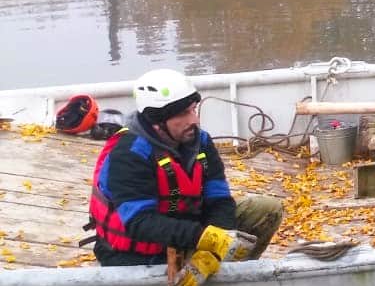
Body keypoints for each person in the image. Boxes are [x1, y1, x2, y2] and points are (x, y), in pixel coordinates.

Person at [90, 68, 282, 268]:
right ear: (157, 121)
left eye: (193, 109)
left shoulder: (201, 142)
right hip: (137, 256)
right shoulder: (129, 154)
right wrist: (202, 238)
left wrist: (214, 248)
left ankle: (222, 272)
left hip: (188, 236)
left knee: (267, 209)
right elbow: (139, 222)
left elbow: (219, 200)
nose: (194, 120)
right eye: (183, 113)